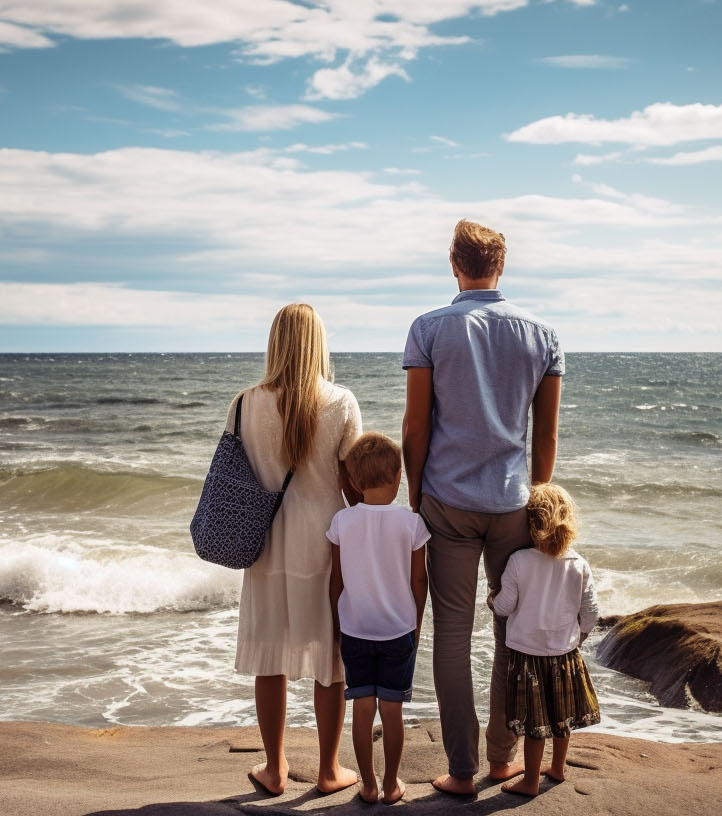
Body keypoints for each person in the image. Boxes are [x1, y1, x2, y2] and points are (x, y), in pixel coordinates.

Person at [401, 218, 564, 794]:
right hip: (514, 502)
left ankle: (462, 770)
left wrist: (415, 497)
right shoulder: (542, 334)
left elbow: (415, 427)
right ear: (501, 265)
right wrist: (538, 497)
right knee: (510, 633)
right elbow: (546, 435)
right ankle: (502, 759)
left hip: (446, 500)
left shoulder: (428, 328)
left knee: (451, 633)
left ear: (454, 265)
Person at [233, 303, 362, 796]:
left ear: (275, 343)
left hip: (264, 542)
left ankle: (274, 769)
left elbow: (234, 477)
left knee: (271, 657)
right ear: (319, 344)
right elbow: (354, 485)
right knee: (331, 658)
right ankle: (329, 770)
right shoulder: (341, 401)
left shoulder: (244, 403)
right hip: (324, 544)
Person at [327, 432, 429, 804]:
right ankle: (390, 785)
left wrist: (336, 623)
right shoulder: (411, 522)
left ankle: (368, 785)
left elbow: (336, 580)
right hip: (397, 630)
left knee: (362, 706)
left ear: (354, 482)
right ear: (399, 476)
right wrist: (417, 622)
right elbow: (419, 580)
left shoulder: (342, 521)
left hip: (355, 629)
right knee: (392, 710)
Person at [490, 483, 600, 797]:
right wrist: (578, 637)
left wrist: (492, 600)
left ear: (531, 523)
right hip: (565, 654)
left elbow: (505, 607)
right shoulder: (578, 564)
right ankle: (558, 768)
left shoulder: (519, 561)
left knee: (534, 723)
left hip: (527, 655)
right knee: (562, 717)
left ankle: (530, 781)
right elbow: (591, 612)